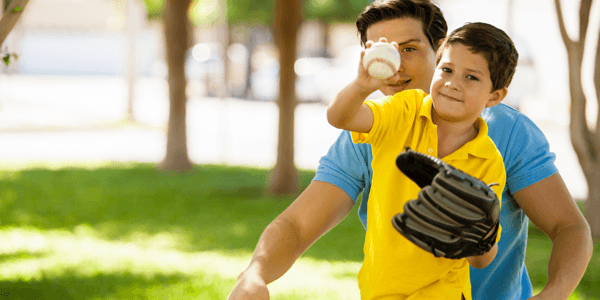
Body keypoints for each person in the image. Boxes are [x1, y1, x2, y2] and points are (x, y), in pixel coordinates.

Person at [227, 1, 593, 299]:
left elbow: (569, 227)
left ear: (440, 50)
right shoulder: (371, 131)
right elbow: (296, 224)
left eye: (410, 49)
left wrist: (554, 294)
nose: (396, 67)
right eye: (383, 52)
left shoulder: (507, 134)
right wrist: (254, 275)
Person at [326, 21, 516, 299]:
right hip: (380, 291)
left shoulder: (488, 162)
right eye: (447, 70)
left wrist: (480, 236)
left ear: (495, 95)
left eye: (471, 77)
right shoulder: (405, 110)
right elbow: (339, 117)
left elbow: (481, 260)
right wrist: (361, 85)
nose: (452, 84)